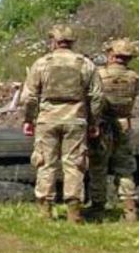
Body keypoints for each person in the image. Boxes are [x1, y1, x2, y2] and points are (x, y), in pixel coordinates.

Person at [21, 23, 104, 224]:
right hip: (76, 119)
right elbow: (97, 97)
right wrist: (94, 121)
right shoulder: (85, 64)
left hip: (47, 120)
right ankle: (74, 213)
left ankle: (45, 212)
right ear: (71, 42)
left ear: (53, 42)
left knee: (45, 163)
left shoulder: (41, 63)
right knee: (74, 165)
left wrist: (28, 119)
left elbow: (29, 97)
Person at [93, 38, 139, 223]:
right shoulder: (134, 77)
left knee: (98, 166)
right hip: (123, 124)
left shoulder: (99, 74)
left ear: (112, 55)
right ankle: (129, 208)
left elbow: (93, 98)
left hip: (103, 125)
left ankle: (98, 208)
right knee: (124, 168)